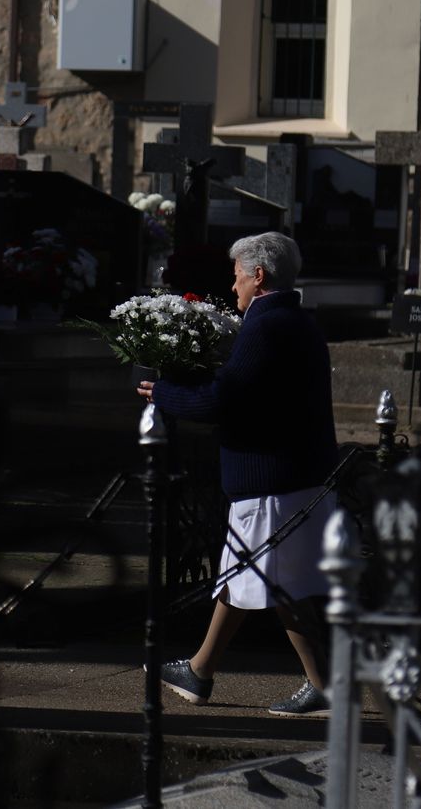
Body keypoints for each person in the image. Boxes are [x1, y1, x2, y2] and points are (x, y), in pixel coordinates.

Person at [138, 231, 338, 716]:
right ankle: (200, 671)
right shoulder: (297, 322)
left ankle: (325, 684)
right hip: (291, 473)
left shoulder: (266, 326)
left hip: (272, 477)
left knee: (278, 583)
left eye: (237, 277)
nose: (233, 288)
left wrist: (163, 393)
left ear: (258, 276)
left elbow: (221, 401)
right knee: (245, 575)